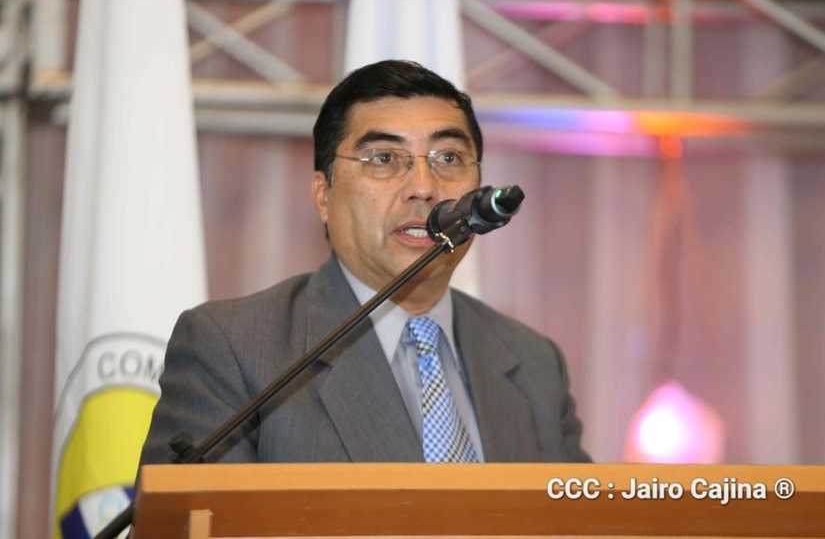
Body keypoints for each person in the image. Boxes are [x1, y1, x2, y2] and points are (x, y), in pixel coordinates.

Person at [138, 60, 590, 466]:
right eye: (384, 159)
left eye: (448, 158)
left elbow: (584, 517)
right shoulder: (235, 348)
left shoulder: (534, 363)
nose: (424, 187)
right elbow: (191, 517)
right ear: (324, 196)